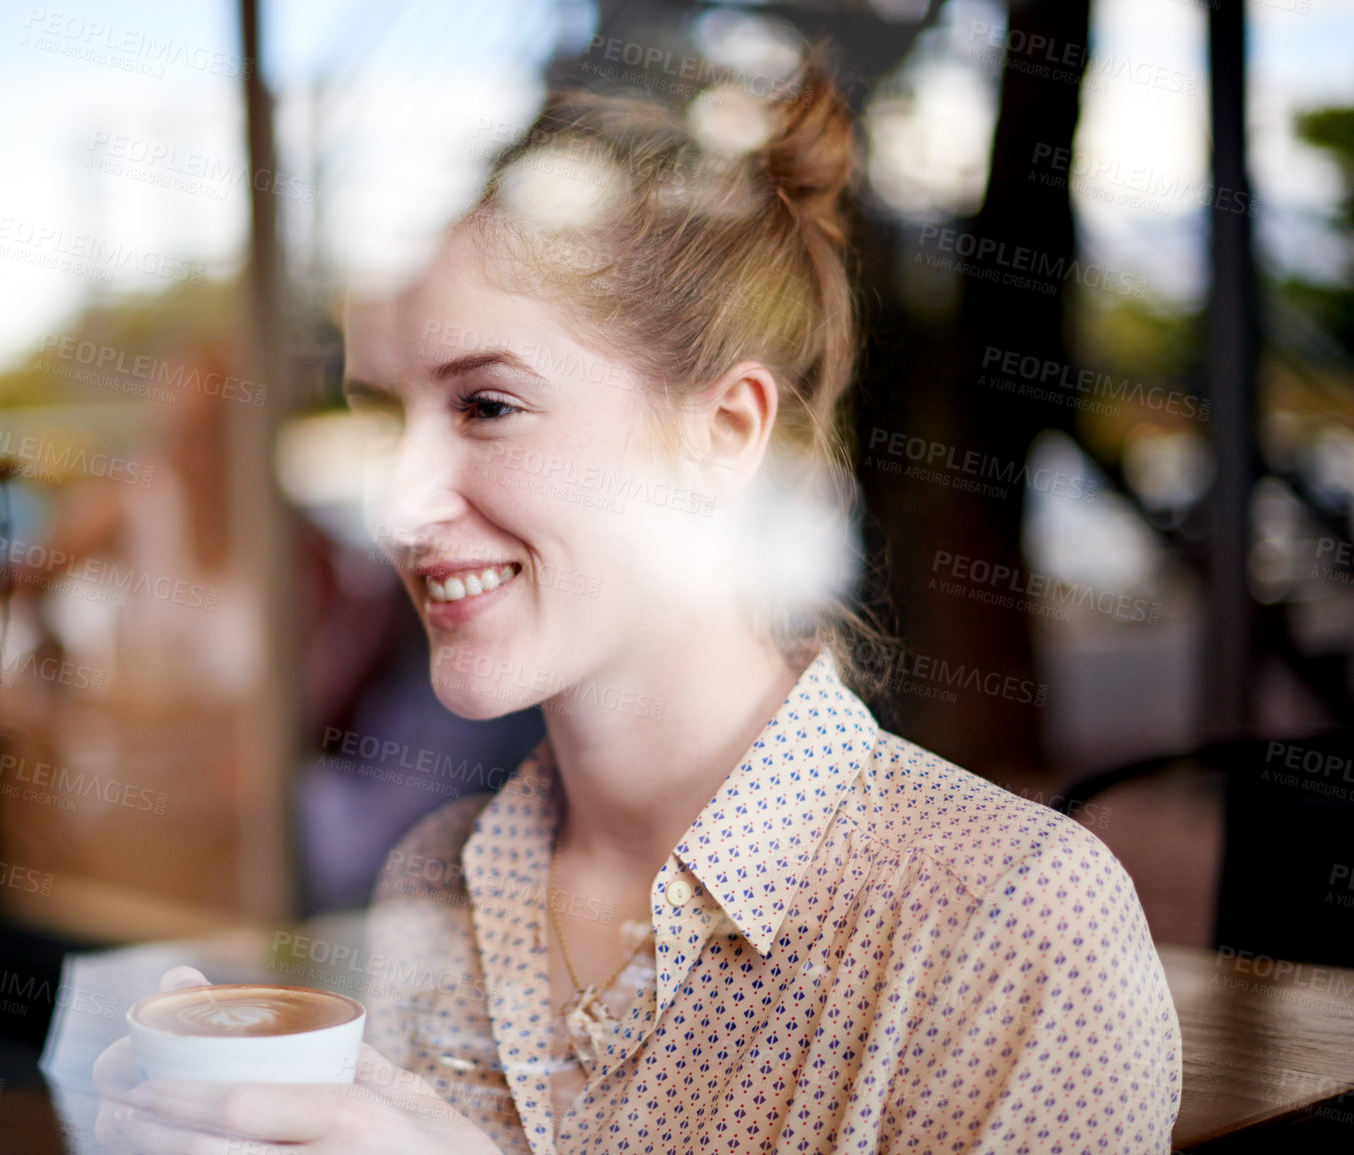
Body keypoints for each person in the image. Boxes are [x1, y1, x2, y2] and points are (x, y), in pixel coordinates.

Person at [94, 57, 1182, 1154]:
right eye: (388, 417)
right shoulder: (435, 878)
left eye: (487, 404)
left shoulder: (1010, 919)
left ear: (722, 434)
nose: (399, 505)